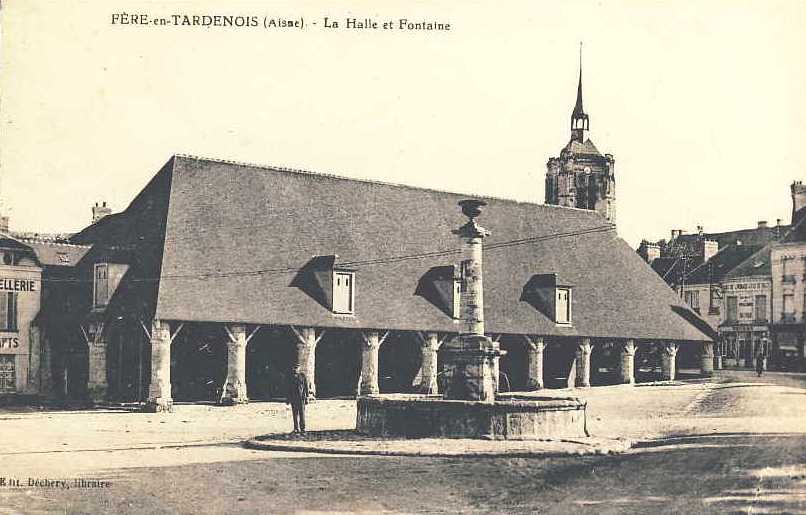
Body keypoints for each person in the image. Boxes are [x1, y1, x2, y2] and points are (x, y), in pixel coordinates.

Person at [287, 365, 308, 434]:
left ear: (299, 369)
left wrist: (307, 397)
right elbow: (288, 389)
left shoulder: (302, 376)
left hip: (301, 398)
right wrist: (288, 399)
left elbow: (306, 387)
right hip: (294, 398)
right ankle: (296, 428)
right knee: (295, 414)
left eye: (297, 368)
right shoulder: (290, 377)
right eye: (294, 368)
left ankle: (303, 428)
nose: (295, 369)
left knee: (302, 414)